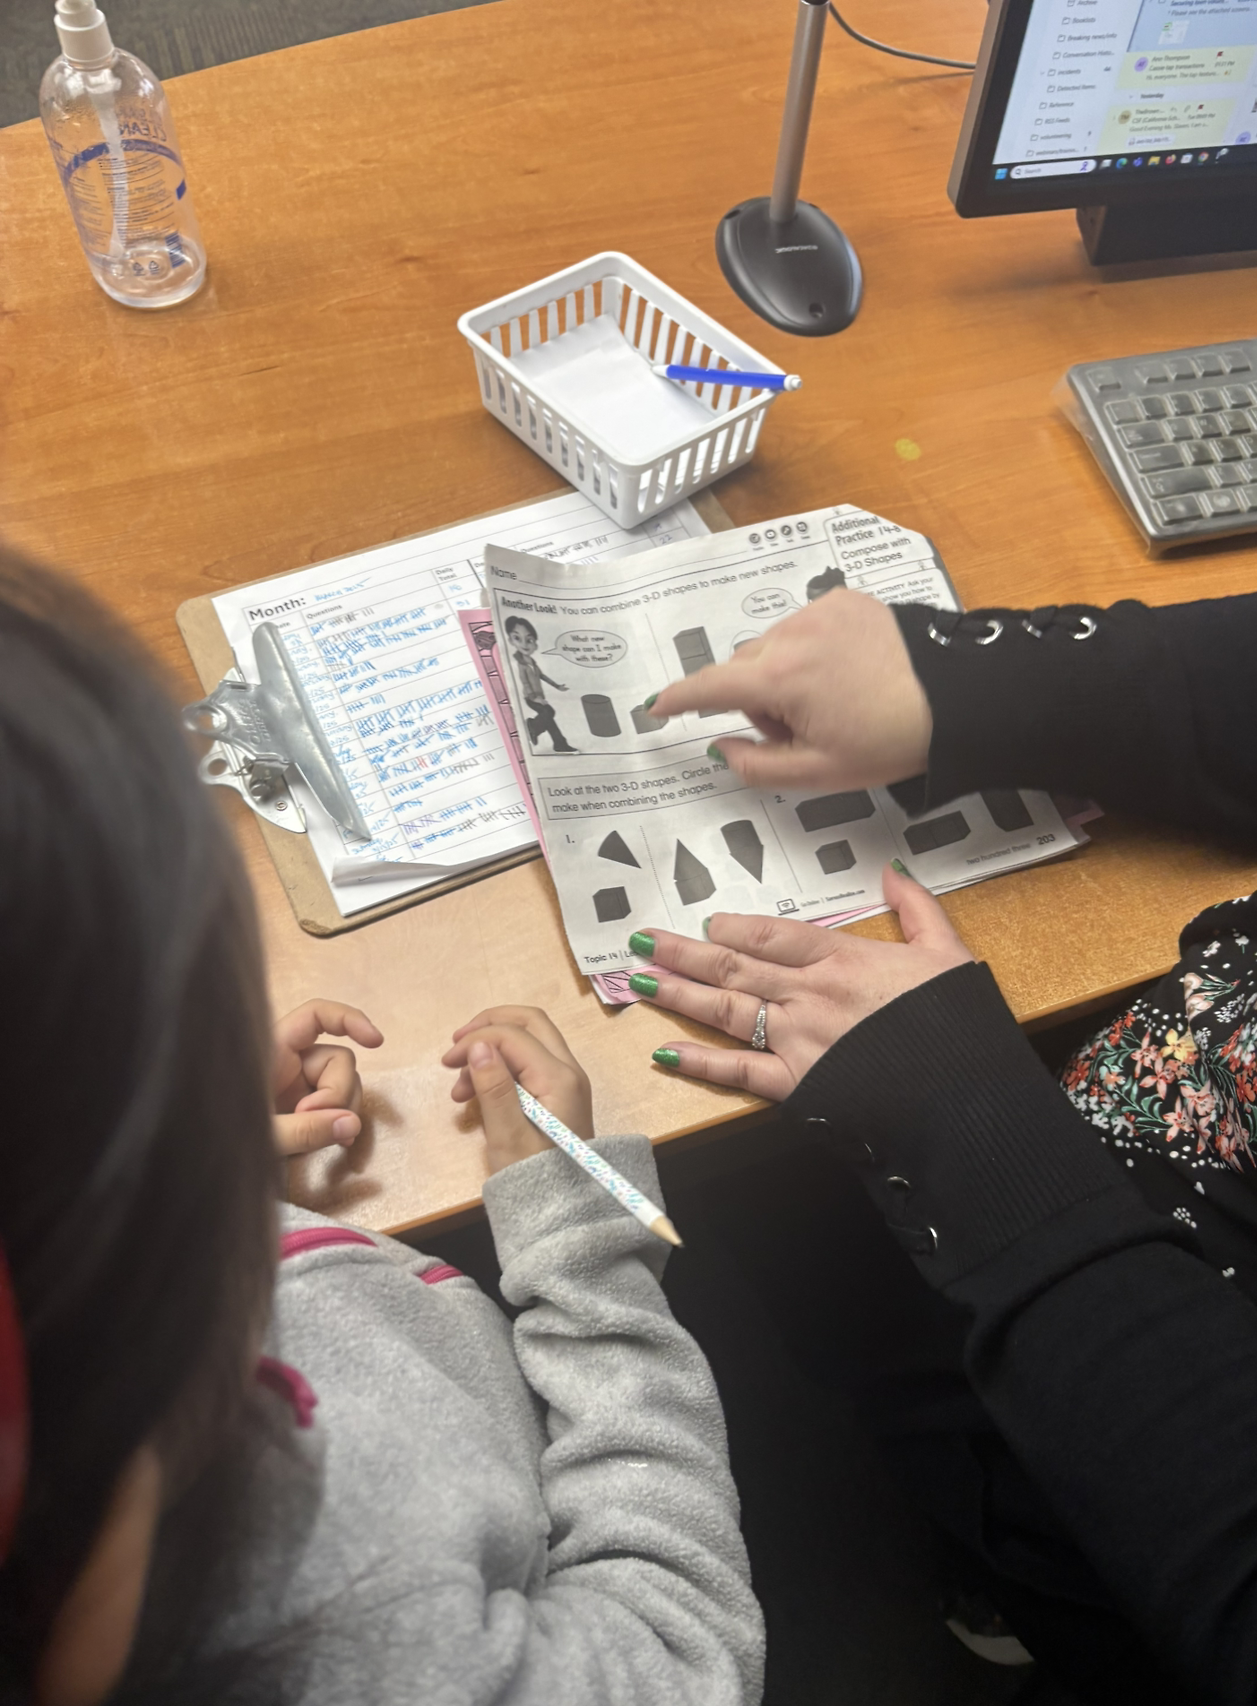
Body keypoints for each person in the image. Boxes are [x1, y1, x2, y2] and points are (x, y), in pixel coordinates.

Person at [0, 548, 763, 1705]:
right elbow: (676, 1654)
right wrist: (582, 1243)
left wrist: (206, 1158)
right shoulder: (351, 1607)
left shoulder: (68, 1319)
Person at [628, 584, 1257, 1705]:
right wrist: (973, 676)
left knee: (767, 1191)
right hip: (1118, 1121)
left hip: (1142, 1407)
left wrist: (967, 1123)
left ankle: (1010, 1571)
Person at [505, 614, 577, 753]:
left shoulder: (532, 662)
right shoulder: (521, 664)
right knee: (548, 712)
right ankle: (535, 728)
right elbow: (525, 682)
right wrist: (534, 698)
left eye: (529, 640)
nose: (524, 644)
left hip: (539, 696)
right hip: (531, 697)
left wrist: (557, 686)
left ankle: (556, 742)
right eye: (517, 638)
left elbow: (542, 676)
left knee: (548, 717)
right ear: (510, 641)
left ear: (535, 644)